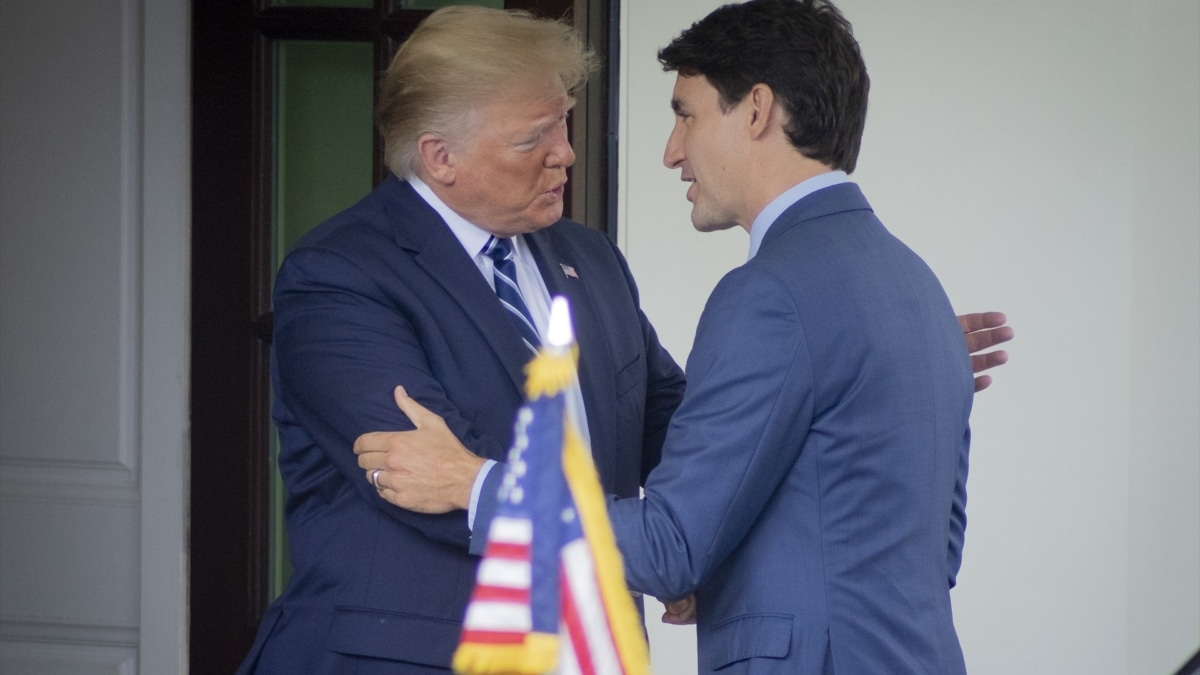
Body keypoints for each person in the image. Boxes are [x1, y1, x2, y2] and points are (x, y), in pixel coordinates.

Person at [358, 0, 1010, 673]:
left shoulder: (770, 294)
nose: (673, 151)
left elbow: (668, 547)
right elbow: (936, 550)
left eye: (686, 115)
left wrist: (478, 483)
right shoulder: (916, 287)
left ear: (756, 111)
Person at [235, 7, 686, 673]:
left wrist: (705, 535)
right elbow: (426, 478)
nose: (564, 150)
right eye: (533, 136)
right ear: (439, 157)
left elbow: (665, 418)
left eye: (562, 118)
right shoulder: (339, 276)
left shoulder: (588, 257)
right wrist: (648, 550)